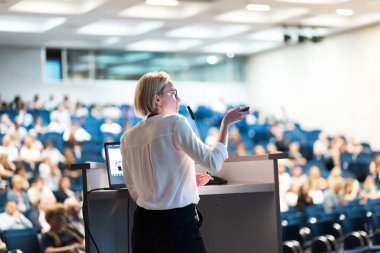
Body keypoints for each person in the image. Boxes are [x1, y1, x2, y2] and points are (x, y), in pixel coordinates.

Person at [120, 71, 249, 253]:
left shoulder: (127, 137)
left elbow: (134, 189)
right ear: (158, 99)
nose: (179, 99)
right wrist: (225, 124)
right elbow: (213, 162)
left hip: (143, 226)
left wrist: (185, 181)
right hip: (177, 225)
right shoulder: (175, 123)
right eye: (173, 93)